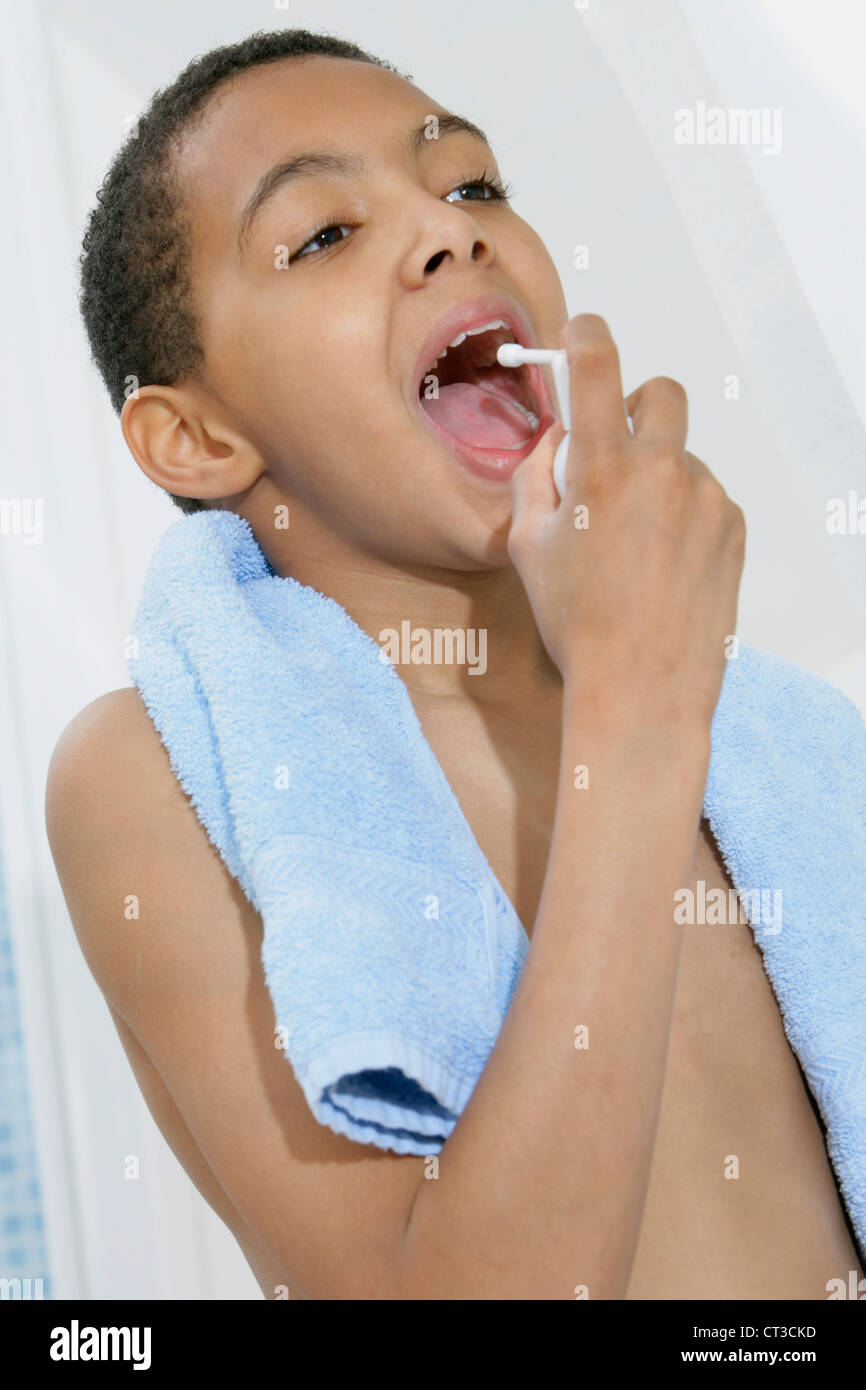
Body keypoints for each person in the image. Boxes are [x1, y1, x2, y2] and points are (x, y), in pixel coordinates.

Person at [45, 28, 863, 1299]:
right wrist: (636, 711)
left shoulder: (787, 752)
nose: (447, 230)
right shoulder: (153, 775)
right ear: (194, 436)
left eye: (470, 184)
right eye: (322, 233)